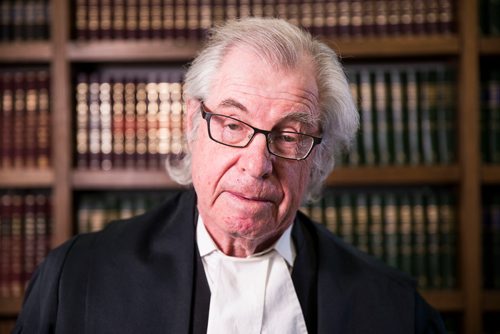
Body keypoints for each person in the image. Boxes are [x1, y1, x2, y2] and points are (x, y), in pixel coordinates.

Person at [14, 18, 445, 333]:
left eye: (290, 135)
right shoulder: (75, 279)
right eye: (233, 125)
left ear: (319, 156)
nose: (256, 164)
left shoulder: (395, 310)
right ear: (192, 124)